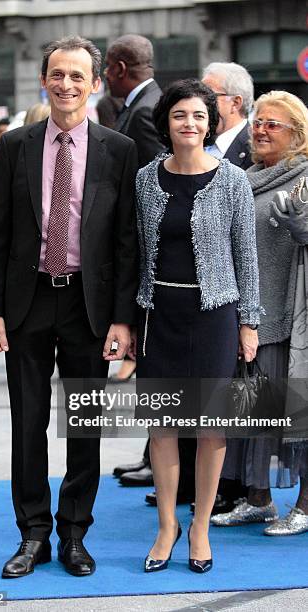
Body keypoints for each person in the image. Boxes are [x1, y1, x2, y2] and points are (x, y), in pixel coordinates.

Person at [0, 36, 138, 579]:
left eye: (77, 76)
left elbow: (125, 243)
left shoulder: (118, 150)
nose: (66, 84)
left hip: (87, 306)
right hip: (24, 305)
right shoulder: (14, 146)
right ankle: (32, 535)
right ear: (44, 80)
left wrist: (123, 318)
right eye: (57, 74)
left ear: (95, 84)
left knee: (84, 425)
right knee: (26, 424)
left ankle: (74, 533)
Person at [134, 79, 260, 573]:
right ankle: (167, 526)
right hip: (158, 315)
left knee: (211, 428)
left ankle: (201, 525)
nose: (190, 123)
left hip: (215, 318)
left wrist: (248, 323)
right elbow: (137, 251)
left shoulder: (232, 180)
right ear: (166, 122)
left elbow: (245, 256)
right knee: (163, 427)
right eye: (181, 114)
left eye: (200, 116)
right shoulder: (145, 180)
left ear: (212, 123)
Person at [211, 91, 308, 535]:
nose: (261, 130)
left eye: (273, 124)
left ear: (298, 134)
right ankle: (257, 499)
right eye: (258, 122)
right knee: (251, 413)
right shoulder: (245, 177)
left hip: (292, 315)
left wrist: (301, 226)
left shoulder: (305, 177)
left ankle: (305, 505)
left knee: (295, 415)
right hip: (248, 314)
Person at [105, 34, 169, 488]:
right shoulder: (142, 104)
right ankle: (152, 453)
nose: (106, 75)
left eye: (106, 66)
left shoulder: (146, 111)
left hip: (150, 261)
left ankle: (157, 457)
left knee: (155, 363)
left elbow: (151, 191)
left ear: (120, 67)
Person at [202, 61, 255, 512]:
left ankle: (238, 486)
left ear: (233, 102)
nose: (196, 106)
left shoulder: (246, 152)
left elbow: (244, 245)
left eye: (207, 95)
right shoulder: (197, 149)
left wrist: (248, 318)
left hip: (229, 298)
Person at [202, 62, 253, 169]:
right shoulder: (192, 143)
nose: (200, 103)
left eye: (209, 96)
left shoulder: (256, 150)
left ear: (235, 103)